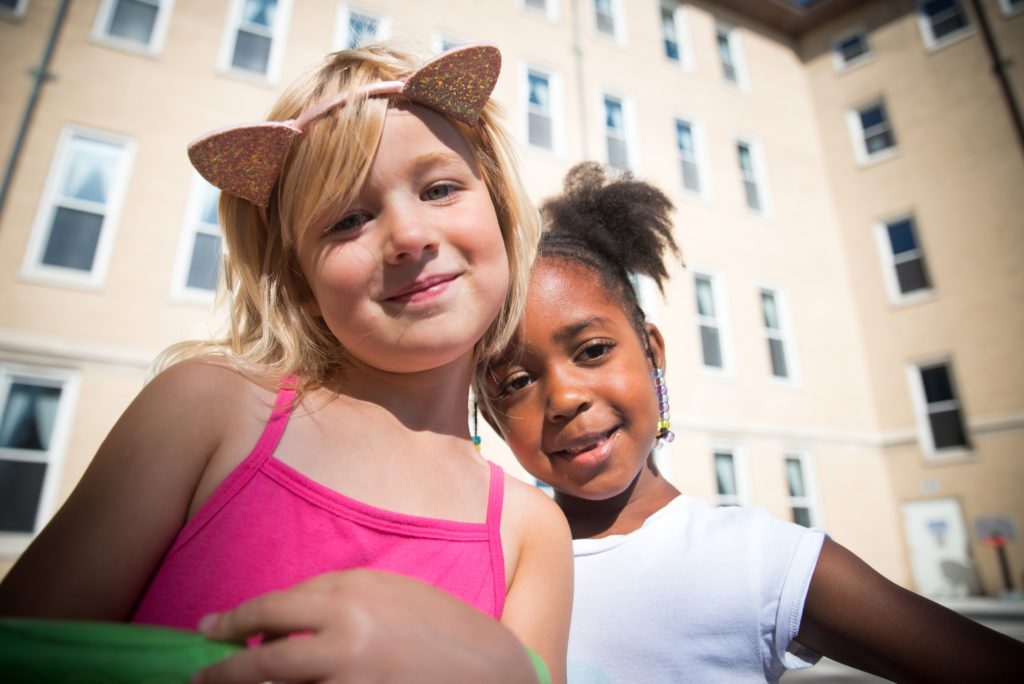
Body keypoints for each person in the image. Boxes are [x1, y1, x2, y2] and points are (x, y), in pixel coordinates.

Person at [0, 43, 572, 683]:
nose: (409, 236)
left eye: (440, 189)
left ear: (498, 211)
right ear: (300, 279)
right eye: (348, 220)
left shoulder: (532, 531)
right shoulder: (206, 409)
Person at [479, 162, 1024, 683]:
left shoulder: (753, 559)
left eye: (594, 350)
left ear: (652, 352)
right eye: (517, 382)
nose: (565, 398)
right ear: (492, 417)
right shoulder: (485, 568)